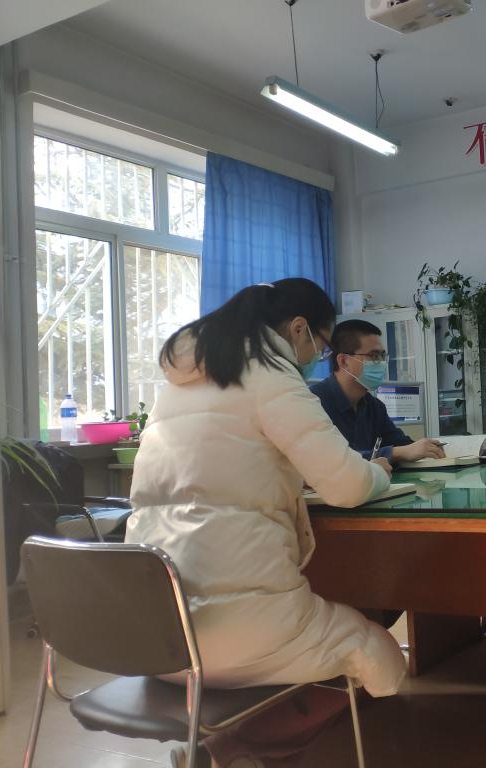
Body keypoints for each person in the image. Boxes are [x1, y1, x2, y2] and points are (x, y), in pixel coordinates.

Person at [126, 279, 406, 767]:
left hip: (157, 629)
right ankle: (233, 750)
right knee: (382, 656)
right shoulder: (274, 376)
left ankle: (230, 746)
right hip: (233, 631)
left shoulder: (179, 385)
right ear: (299, 329)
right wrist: (380, 471)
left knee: (334, 623)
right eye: (322, 346)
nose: (317, 359)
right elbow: (347, 486)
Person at [311, 319, 446, 464]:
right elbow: (332, 459)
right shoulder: (313, 403)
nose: (381, 363)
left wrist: (425, 448)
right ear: (344, 361)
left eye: (383, 356)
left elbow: (402, 445)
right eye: (374, 356)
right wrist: (395, 453)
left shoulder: (374, 407)